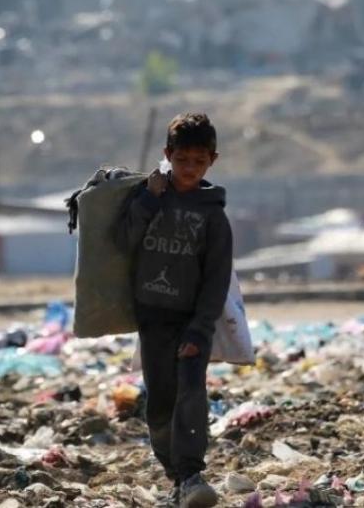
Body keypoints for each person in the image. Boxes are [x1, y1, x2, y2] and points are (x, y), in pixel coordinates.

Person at [116, 112, 233, 507]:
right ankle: (176, 476)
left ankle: (191, 473)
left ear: (212, 161)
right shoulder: (149, 198)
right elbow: (123, 241)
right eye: (182, 160)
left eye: (199, 162)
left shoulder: (213, 215)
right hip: (152, 317)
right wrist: (148, 199)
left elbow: (216, 279)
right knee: (161, 402)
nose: (189, 169)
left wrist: (201, 328)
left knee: (191, 395)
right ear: (168, 155)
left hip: (191, 322)